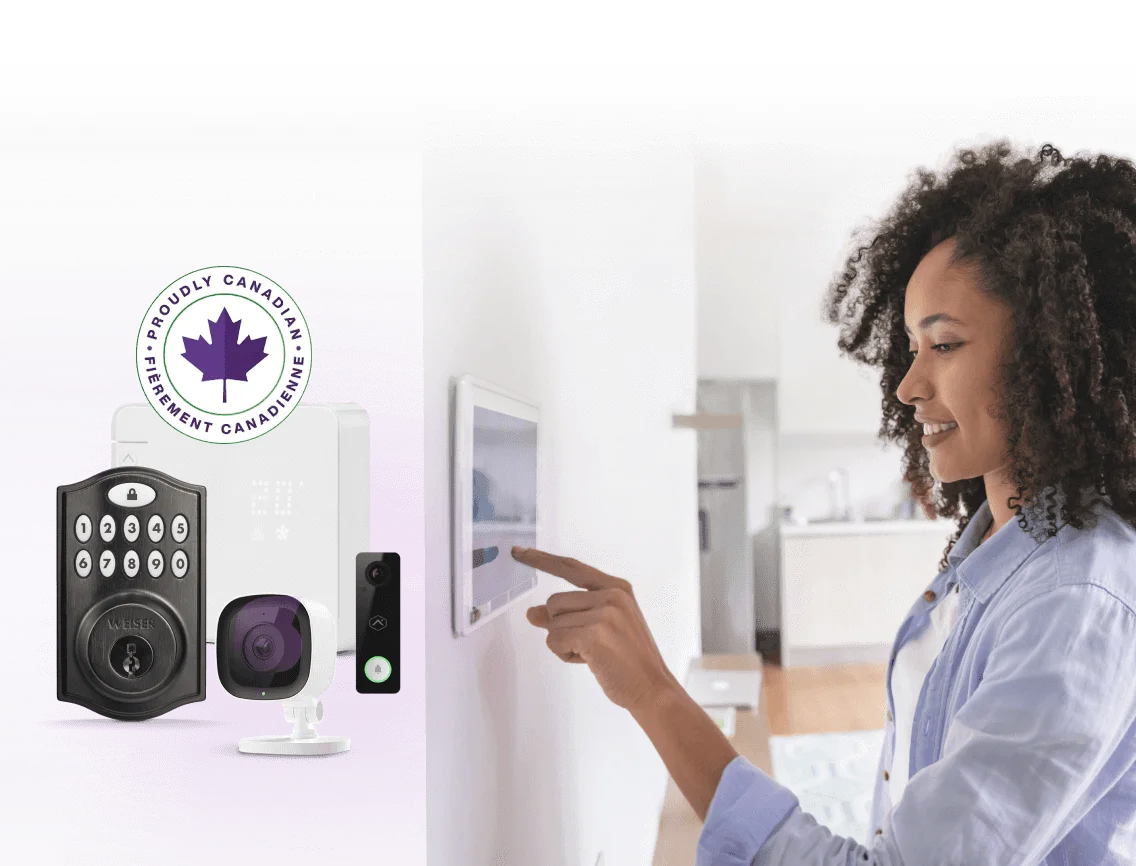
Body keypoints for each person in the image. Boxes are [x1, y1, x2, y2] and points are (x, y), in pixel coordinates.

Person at [511, 140, 1136, 865]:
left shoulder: (1077, 597)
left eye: (946, 345)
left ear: (1048, 357)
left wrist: (654, 692)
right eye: (909, 347)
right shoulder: (996, 543)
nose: (907, 386)